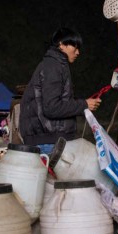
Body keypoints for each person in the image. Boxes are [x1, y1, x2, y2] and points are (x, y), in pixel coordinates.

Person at [19, 27, 101, 155]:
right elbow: (51, 107)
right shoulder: (53, 66)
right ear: (61, 44)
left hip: (49, 139)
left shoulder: (56, 64)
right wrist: (83, 105)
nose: (78, 52)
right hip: (48, 142)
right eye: (75, 46)